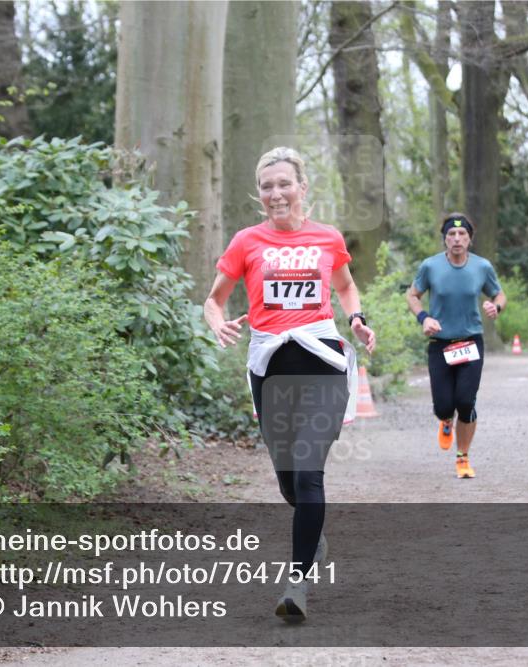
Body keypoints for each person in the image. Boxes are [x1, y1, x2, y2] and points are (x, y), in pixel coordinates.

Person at [203, 146, 376, 623]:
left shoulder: (327, 237)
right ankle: (312, 531)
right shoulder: (246, 241)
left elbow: (344, 286)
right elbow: (213, 299)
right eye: (266, 186)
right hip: (270, 366)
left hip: (321, 358)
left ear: (302, 187)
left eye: (284, 183)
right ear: (258, 194)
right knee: (287, 481)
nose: (275, 193)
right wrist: (216, 322)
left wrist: (356, 318)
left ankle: (296, 583)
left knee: (307, 472)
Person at [406, 212, 506, 479]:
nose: (457, 238)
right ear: (445, 240)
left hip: (470, 342)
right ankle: (445, 421)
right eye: (451, 234)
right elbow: (413, 295)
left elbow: (499, 293)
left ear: (470, 239)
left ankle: (463, 458)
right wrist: (423, 317)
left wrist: (495, 307)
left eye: (462, 234)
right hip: (440, 344)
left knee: (465, 401)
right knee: (442, 406)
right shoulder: (430, 266)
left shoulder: (482, 267)